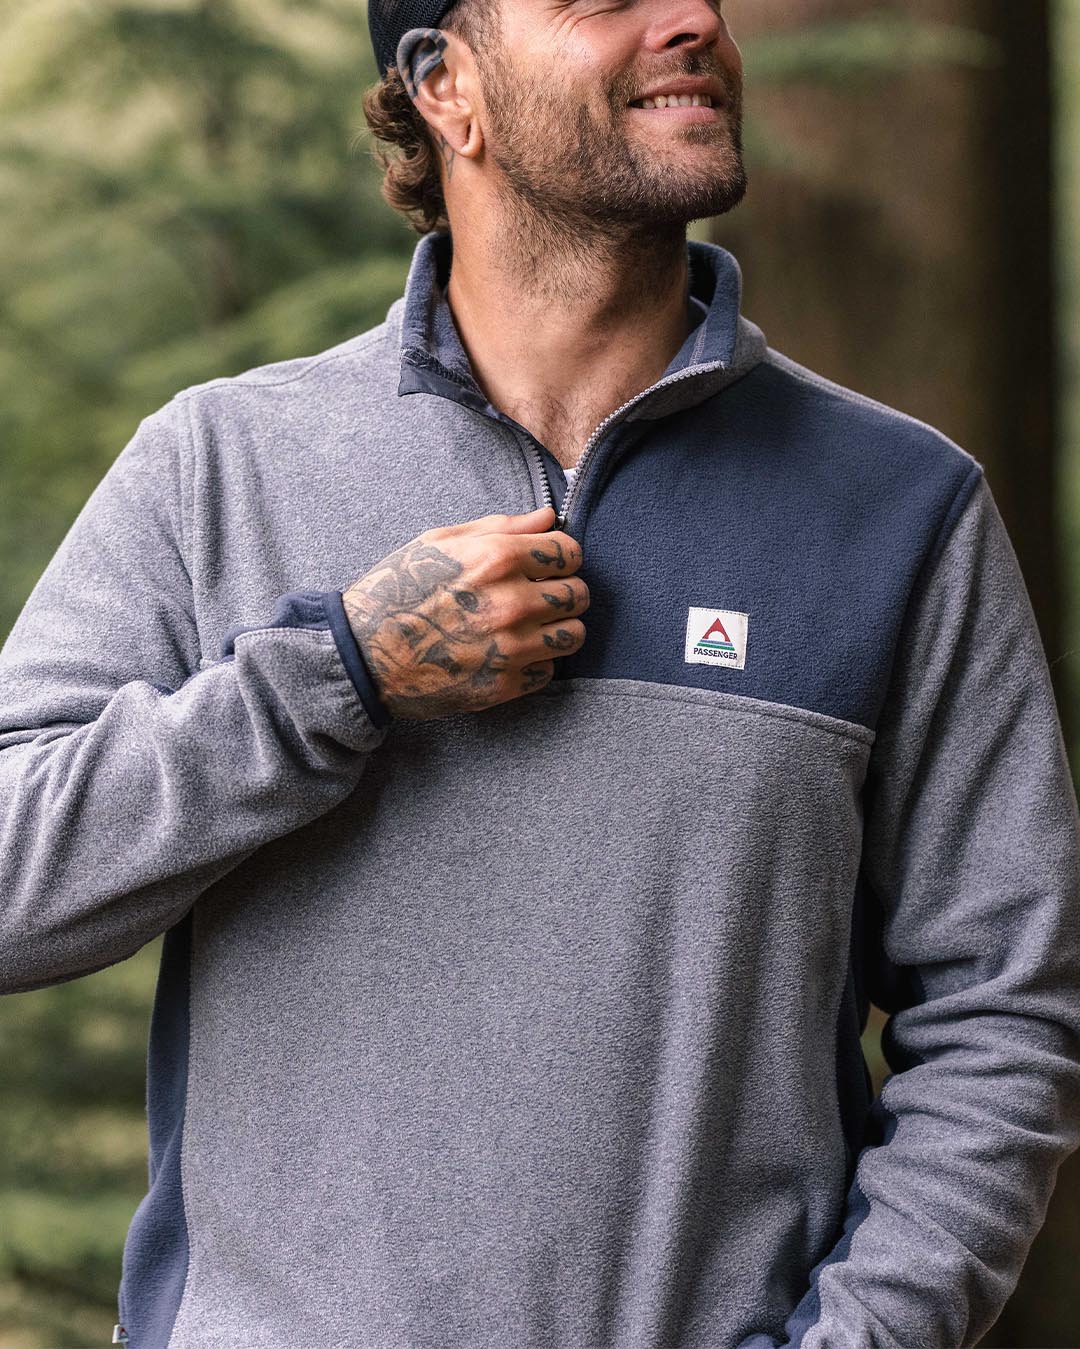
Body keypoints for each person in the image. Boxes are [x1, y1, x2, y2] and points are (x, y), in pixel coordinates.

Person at [0, 0, 1077, 1345]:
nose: (694, 20)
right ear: (446, 86)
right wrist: (340, 672)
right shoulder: (217, 466)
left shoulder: (901, 507)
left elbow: (1005, 1008)